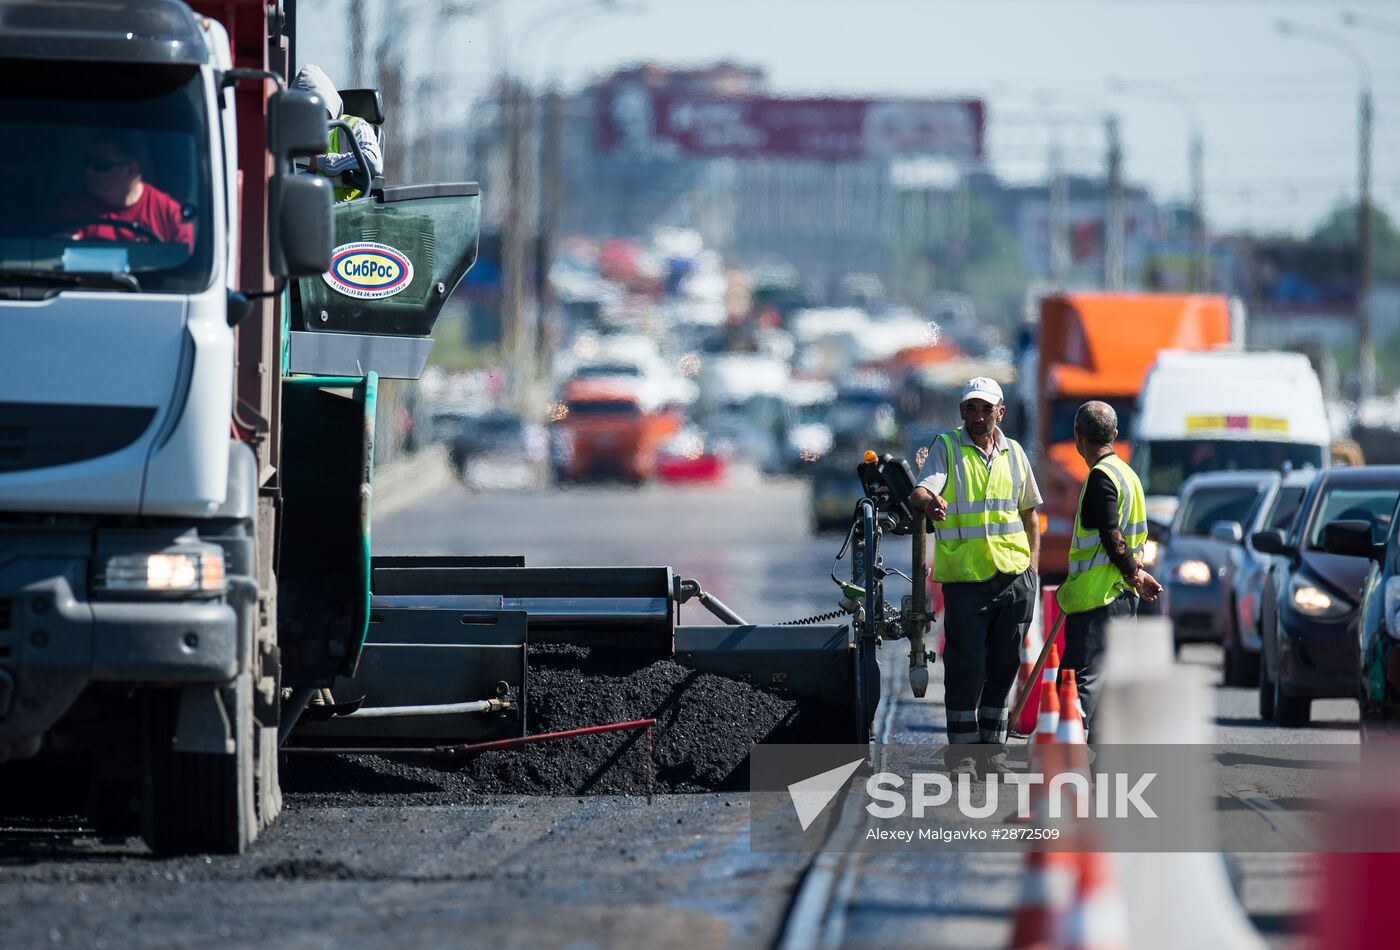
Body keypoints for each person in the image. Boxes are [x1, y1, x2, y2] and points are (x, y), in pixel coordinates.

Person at [910, 377, 1042, 779]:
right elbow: (918, 493)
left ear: (1000, 412)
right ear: (962, 412)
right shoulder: (947, 448)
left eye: (987, 409)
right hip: (966, 580)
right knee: (966, 666)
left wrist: (1032, 570)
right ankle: (963, 755)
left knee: (1004, 667)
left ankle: (993, 753)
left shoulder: (1015, 454)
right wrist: (930, 501)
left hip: (1012, 578)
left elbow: (1030, 516)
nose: (979, 416)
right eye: (972, 408)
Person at [1055, 401, 1162, 742]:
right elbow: (1135, 538)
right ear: (1115, 435)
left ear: (1077, 436)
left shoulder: (1101, 478)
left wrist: (1133, 573)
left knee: (1077, 681)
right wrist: (1136, 576)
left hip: (1097, 598)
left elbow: (1112, 536)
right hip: (1123, 600)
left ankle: (1070, 753)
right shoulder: (1128, 475)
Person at [52, 132, 194, 250]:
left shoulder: (170, 214)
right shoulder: (72, 207)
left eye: (100, 165)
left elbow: (185, 270)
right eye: (86, 162)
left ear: (131, 170)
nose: (88, 171)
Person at [290, 64, 383, 201]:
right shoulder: (289, 135)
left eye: (313, 108)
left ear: (328, 103)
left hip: (350, 214)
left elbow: (372, 161)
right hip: (300, 212)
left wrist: (321, 163)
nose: (309, 117)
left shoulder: (355, 126)